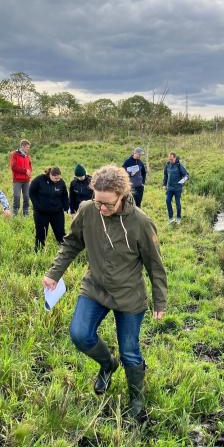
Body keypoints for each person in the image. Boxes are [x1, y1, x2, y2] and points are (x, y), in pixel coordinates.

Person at [42, 165, 167, 422]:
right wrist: (54, 273)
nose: (102, 208)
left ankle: (136, 398)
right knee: (80, 334)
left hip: (128, 295)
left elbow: (155, 265)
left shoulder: (141, 223)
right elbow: (72, 242)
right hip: (95, 287)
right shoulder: (88, 210)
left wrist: (159, 299)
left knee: (130, 351)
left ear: (122, 195)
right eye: (97, 201)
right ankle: (108, 364)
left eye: (107, 204)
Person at [29, 167, 69, 250]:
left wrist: (66, 207)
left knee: (60, 232)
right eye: (55, 178)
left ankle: (64, 250)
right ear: (50, 174)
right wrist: (37, 205)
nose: (57, 180)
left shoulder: (61, 183)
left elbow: (64, 195)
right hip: (41, 213)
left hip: (57, 212)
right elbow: (31, 192)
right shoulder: (39, 180)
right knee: (41, 234)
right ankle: (39, 251)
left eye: (58, 178)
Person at [163, 152, 189, 224]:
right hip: (169, 188)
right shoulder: (167, 165)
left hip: (177, 189)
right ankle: (171, 218)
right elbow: (165, 175)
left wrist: (181, 182)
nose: (170, 161)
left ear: (175, 158)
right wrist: (164, 184)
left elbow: (186, 175)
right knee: (168, 201)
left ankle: (178, 218)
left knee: (177, 203)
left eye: (171, 159)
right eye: (169, 159)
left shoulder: (179, 165)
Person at [9, 139, 32, 216]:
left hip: (26, 180)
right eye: (27, 147)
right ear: (22, 146)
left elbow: (30, 166)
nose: (28, 149)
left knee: (26, 196)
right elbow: (13, 167)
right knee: (17, 196)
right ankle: (15, 213)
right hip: (17, 180)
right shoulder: (14, 154)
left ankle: (26, 213)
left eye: (28, 147)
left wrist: (29, 172)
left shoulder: (27, 155)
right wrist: (25, 171)